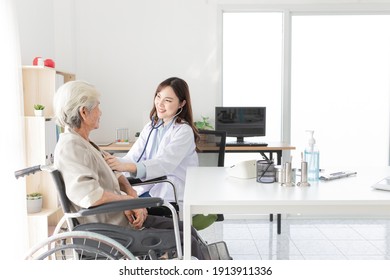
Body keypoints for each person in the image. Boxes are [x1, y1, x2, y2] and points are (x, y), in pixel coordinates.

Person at [52, 80, 208, 259]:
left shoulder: (83, 143)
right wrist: (128, 199)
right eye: (97, 107)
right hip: (114, 226)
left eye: (168, 100)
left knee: (188, 231)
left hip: (128, 212)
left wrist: (130, 192)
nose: (101, 112)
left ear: (181, 104)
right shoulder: (72, 146)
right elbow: (91, 194)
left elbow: (152, 165)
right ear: (84, 112)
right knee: (186, 239)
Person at [104, 77, 199, 210]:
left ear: (181, 104)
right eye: (158, 97)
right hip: (149, 188)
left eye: (168, 100)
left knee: (120, 208)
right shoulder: (151, 127)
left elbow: (164, 164)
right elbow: (132, 157)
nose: (160, 104)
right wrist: (112, 161)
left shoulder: (183, 131)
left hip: (171, 192)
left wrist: (125, 166)